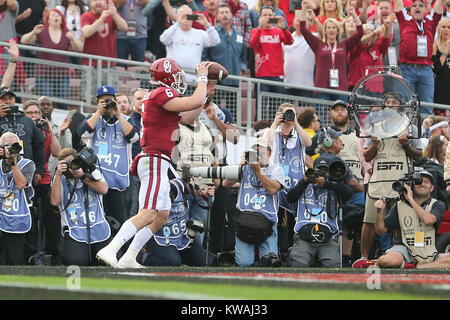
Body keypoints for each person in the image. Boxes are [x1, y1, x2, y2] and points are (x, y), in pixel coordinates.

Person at [96, 59, 212, 268]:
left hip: (158, 160)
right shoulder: (162, 93)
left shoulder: (162, 98)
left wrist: (206, 91)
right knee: (149, 212)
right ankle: (111, 249)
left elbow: (189, 114)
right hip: (154, 160)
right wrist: (202, 78)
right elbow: (194, 101)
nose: (179, 81)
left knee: (161, 214)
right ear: (166, 78)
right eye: (176, 77)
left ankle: (130, 256)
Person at [353, 96, 424, 268]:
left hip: (401, 181)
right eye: (388, 103)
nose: (390, 106)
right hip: (379, 180)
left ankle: (417, 255)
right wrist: (375, 144)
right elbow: (367, 156)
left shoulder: (410, 127)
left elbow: (420, 157)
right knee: (369, 220)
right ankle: (364, 256)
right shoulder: (374, 128)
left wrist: (406, 145)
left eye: (394, 102)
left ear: (401, 106)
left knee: (409, 221)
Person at [222, 136, 289, 267]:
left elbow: (272, 189)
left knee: (269, 262)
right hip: (245, 221)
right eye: (255, 151)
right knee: (244, 263)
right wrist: (239, 165)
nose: (258, 154)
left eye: (261, 150)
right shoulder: (245, 168)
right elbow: (226, 183)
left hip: (267, 220)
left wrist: (258, 171)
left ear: (269, 152)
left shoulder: (276, 169)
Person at [77, 85, 139, 226]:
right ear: (97, 101)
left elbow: (134, 137)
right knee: (98, 218)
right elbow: (82, 133)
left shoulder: (126, 119)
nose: (107, 104)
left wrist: (117, 114)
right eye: (103, 101)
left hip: (119, 178)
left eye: (109, 100)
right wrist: (98, 112)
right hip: (97, 177)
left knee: (120, 220)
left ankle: (120, 248)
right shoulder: (92, 118)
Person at [287, 147, 354, 268]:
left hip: (328, 240)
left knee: (333, 265)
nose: (322, 173)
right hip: (303, 238)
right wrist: (304, 181)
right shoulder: (304, 185)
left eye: (325, 170)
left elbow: (349, 193)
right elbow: (290, 198)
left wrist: (327, 184)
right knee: (297, 264)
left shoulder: (334, 187)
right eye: (319, 170)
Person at [372, 170, 450, 269]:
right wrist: (379, 212)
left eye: (426, 182)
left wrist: (411, 200)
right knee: (389, 262)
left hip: (429, 251)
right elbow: (380, 230)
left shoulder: (437, 204)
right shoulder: (400, 206)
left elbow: (428, 220)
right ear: (412, 186)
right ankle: (377, 261)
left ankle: (419, 267)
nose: (422, 184)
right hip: (404, 248)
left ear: (432, 188)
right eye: (419, 182)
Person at [197, 78, 240, 255]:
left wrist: (215, 118)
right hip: (198, 163)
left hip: (220, 164)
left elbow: (234, 138)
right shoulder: (192, 108)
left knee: (220, 210)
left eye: (214, 85)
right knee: (199, 209)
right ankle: (197, 250)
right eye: (209, 84)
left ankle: (216, 251)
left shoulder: (223, 112)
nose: (212, 88)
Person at [265, 103, 312, 262]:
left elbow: (309, 143)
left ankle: (293, 254)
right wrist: (275, 123)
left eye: (291, 113)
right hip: (277, 183)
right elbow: (265, 142)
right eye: (286, 114)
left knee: (294, 222)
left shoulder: (298, 132)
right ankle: (277, 253)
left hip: (296, 184)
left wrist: (296, 123)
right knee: (278, 220)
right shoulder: (274, 132)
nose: (289, 117)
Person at [50, 148, 111, 265]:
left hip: (99, 227)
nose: (71, 167)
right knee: (76, 261)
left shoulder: (92, 172)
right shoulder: (60, 179)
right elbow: (54, 201)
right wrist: (58, 175)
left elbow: (104, 189)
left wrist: (83, 177)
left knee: (106, 261)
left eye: (73, 162)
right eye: (67, 164)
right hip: (75, 230)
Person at [20, 8, 83, 110]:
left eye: (58, 15)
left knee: (63, 104)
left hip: (62, 74)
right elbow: (24, 41)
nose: (55, 17)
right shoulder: (42, 30)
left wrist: (73, 38)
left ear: (62, 20)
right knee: (46, 104)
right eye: (53, 15)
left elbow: (79, 48)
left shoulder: (66, 32)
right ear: (48, 19)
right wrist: (33, 32)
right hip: (44, 74)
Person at [23, 100, 62, 260]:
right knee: (29, 218)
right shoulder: (22, 130)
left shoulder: (44, 130)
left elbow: (57, 153)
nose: (33, 116)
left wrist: (50, 131)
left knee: (50, 217)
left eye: (36, 113)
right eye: (30, 113)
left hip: (44, 178)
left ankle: (52, 252)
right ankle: (28, 253)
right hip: (25, 180)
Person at [299, 5, 363, 102]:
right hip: (321, 88)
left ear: (338, 31)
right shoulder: (318, 44)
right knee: (322, 115)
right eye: (328, 28)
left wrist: (354, 14)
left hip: (340, 88)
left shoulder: (344, 44)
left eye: (334, 27)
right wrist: (304, 10)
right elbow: (304, 29)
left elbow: (360, 32)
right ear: (325, 30)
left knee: (340, 116)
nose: (331, 30)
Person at [139, 178, 209, 266]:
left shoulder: (180, 185)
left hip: (182, 235)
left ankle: (176, 256)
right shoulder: (150, 194)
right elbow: (141, 218)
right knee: (173, 263)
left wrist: (203, 193)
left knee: (200, 261)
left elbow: (194, 192)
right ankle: (144, 257)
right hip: (161, 237)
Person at [394, 0, 445, 115]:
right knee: (406, 105)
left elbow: (440, 4)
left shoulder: (431, 21)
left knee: (427, 106)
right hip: (406, 69)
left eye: (421, 5)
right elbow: (397, 3)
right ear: (410, 10)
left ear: (426, 10)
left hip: (426, 70)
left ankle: (425, 133)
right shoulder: (405, 19)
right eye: (414, 5)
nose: (417, 7)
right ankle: (406, 133)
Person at [159, 4, 220, 83]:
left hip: (192, 78)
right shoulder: (172, 32)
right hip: (173, 77)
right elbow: (163, 39)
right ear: (178, 17)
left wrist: (207, 25)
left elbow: (216, 41)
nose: (187, 18)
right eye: (183, 16)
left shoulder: (199, 34)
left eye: (189, 16)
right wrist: (177, 23)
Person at [0, 131, 36, 265]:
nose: (10, 149)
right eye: (6, 146)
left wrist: (13, 163)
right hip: (2, 213)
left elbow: (21, 184)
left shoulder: (27, 164)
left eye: (13, 145)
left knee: (15, 260)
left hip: (19, 215)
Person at [0, 86, 46, 184]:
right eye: (3, 98)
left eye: (10, 98)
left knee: (26, 197)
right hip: (2, 169)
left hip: (25, 168)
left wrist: (40, 170)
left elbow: (39, 147)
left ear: (15, 100)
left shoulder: (27, 120)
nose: (7, 102)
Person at [249, 5, 293, 94]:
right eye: (265, 15)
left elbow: (290, 41)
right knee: (262, 106)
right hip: (262, 74)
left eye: (270, 15)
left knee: (277, 105)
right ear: (260, 18)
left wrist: (284, 28)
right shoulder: (255, 31)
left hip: (277, 75)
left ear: (274, 17)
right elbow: (253, 45)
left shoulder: (279, 31)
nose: (267, 17)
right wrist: (260, 28)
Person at [203, 3, 247, 87]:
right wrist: (210, 71)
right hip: (215, 81)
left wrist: (242, 69)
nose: (224, 15)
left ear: (232, 15)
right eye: (221, 13)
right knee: (214, 101)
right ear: (217, 16)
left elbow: (244, 56)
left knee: (233, 100)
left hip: (234, 80)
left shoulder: (239, 35)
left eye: (227, 12)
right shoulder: (212, 33)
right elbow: (204, 55)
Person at [347, 21, 391, 92]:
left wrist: (387, 27)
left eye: (369, 34)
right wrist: (373, 33)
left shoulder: (377, 47)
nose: (368, 36)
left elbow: (385, 39)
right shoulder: (354, 48)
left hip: (376, 90)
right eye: (364, 34)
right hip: (358, 89)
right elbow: (362, 42)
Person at [283, 15, 315, 98]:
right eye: (298, 20)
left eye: (304, 21)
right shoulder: (287, 38)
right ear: (293, 24)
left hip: (307, 85)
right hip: (288, 83)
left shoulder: (313, 37)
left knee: (306, 111)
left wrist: (315, 20)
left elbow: (323, 35)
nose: (301, 23)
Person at [55, 0, 89, 65]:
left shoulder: (85, 9)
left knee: (80, 71)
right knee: (66, 72)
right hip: (64, 47)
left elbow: (85, 29)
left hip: (80, 47)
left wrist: (79, 44)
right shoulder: (59, 9)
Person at [432, 18, 450, 110]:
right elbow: (436, 69)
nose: (446, 29)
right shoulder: (435, 46)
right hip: (440, 87)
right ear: (439, 29)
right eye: (443, 27)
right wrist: (446, 51)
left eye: (449, 27)